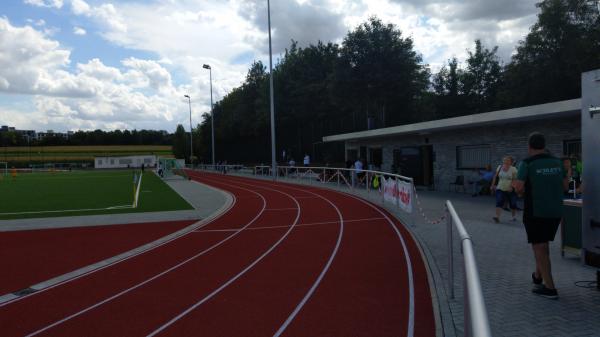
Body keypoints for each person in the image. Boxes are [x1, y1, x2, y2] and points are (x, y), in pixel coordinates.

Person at [513, 132, 569, 299]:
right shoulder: (558, 162)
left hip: (535, 211)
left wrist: (518, 187)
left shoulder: (527, 163)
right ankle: (538, 276)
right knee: (543, 244)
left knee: (540, 247)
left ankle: (550, 288)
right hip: (556, 211)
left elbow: (519, 189)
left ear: (529, 146)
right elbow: (566, 186)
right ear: (544, 145)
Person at [491, 156, 518, 223]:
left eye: (508, 160)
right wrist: (492, 185)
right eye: (504, 160)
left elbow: (515, 179)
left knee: (513, 203)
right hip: (500, 187)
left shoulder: (513, 169)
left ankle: (513, 216)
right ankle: (497, 217)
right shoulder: (499, 167)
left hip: (510, 189)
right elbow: (495, 176)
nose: (506, 161)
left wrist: (512, 187)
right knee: (499, 201)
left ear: (511, 162)